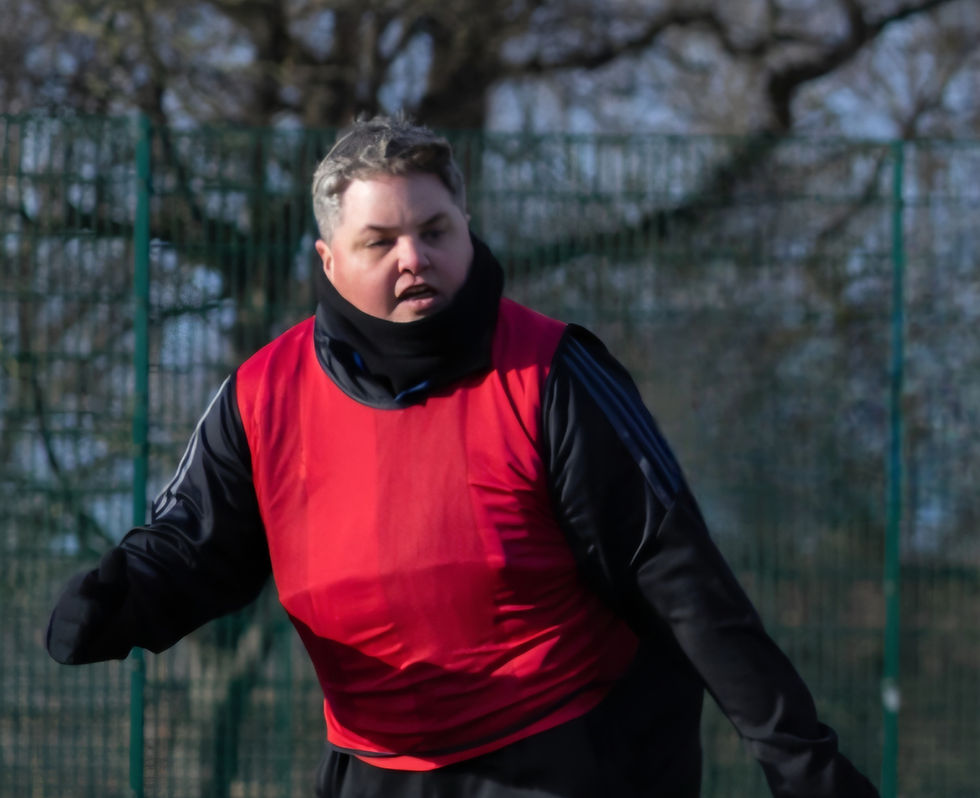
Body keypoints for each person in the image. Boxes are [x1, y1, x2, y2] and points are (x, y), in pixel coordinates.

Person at [47, 114, 879, 798]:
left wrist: (803, 763)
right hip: (377, 760)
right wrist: (121, 597)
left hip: (565, 751)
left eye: (434, 230)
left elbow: (683, 577)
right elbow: (194, 546)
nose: (415, 258)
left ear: (466, 232)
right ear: (329, 262)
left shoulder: (551, 372)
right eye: (382, 242)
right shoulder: (263, 396)